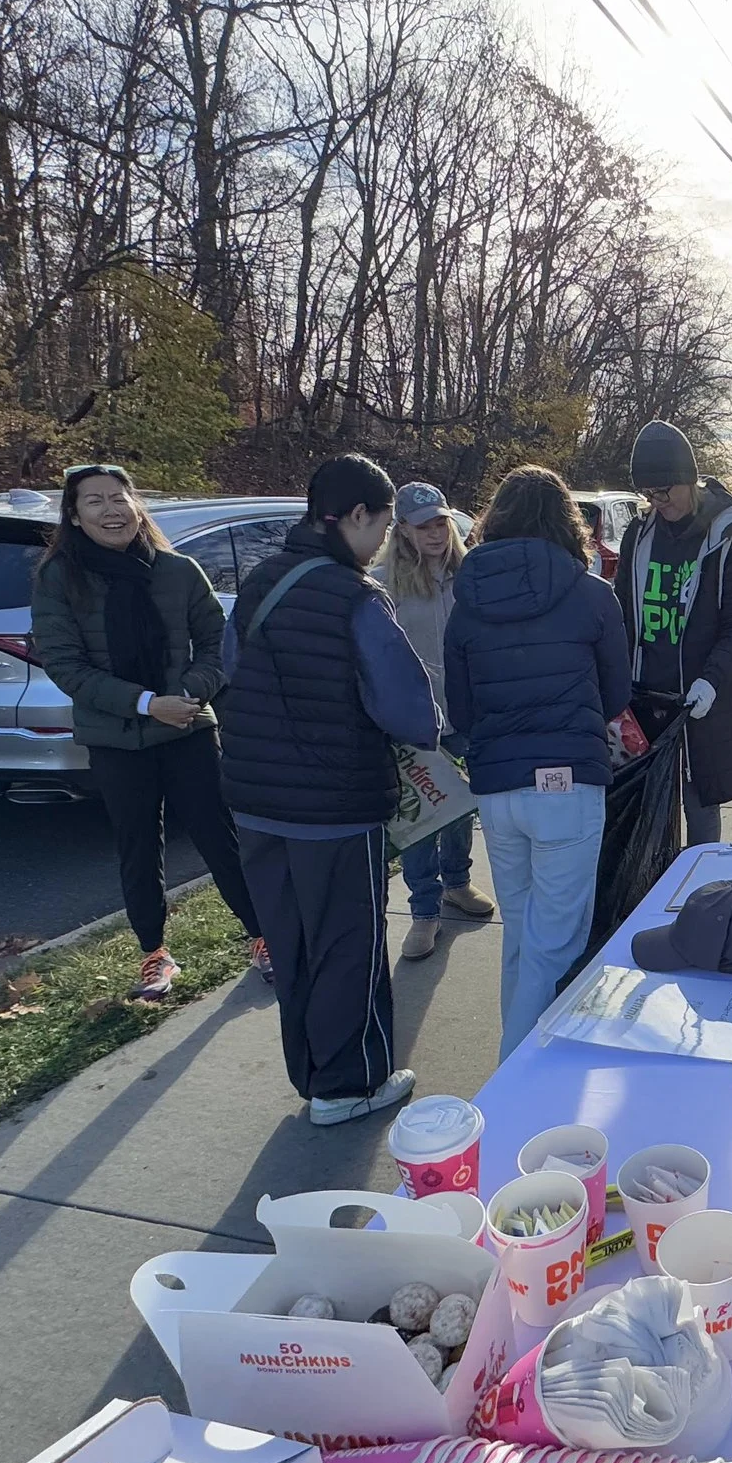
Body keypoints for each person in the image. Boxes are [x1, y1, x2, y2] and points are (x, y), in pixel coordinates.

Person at [216, 456, 438, 1126]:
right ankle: (352, 1084)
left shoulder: (259, 583)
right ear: (356, 516)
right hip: (335, 808)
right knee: (351, 944)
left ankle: (312, 1073)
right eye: (382, 526)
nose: (380, 544)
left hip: (256, 803)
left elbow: (231, 668)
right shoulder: (356, 597)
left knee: (294, 945)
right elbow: (410, 712)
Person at [31, 462, 268, 1003]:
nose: (111, 510)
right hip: (117, 741)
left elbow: (217, 645)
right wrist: (144, 704)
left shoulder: (179, 570)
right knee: (137, 848)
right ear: (74, 514)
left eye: (119, 498)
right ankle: (154, 955)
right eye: (95, 502)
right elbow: (66, 666)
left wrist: (189, 694)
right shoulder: (57, 580)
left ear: (136, 506)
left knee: (220, 838)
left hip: (188, 726)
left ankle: (264, 936)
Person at [445, 465, 633, 1058]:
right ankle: (516, 1071)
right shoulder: (591, 595)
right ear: (566, 522)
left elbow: (462, 705)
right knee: (556, 939)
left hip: (498, 789)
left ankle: (522, 1057)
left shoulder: (467, 601)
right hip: (567, 784)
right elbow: (617, 694)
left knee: (524, 936)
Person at [612, 420, 732, 847]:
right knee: (645, 812)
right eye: (649, 495)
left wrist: (711, 681)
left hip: (701, 699)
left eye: (666, 491)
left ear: (688, 480)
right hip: (644, 699)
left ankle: (700, 895)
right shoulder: (638, 536)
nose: (658, 502)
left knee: (700, 807)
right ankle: (652, 897)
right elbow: (621, 613)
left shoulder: (727, 536)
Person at [381, 480, 496, 960]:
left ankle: (458, 882)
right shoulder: (384, 582)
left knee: (460, 810)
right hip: (413, 723)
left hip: (466, 714)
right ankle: (424, 911)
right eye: (423, 525)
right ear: (403, 530)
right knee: (423, 818)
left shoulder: (471, 573)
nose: (435, 533)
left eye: (441, 523)